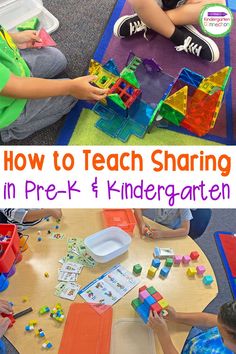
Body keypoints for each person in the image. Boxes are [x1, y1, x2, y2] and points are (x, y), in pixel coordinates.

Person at [0, 27, 108, 142]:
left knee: (58, 59)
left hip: (11, 65)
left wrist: (14, 38)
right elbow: (18, 86)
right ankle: (8, 131)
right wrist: (70, 88)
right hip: (9, 105)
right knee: (69, 98)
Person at [113, 0, 225, 62]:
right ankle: (179, 37)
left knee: (218, 5)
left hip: (182, 7)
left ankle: (149, 20)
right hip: (153, 3)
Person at [148, 301, 236, 354]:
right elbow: (206, 319)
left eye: (222, 336)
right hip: (196, 340)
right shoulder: (230, 323)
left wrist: (163, 335)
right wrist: (176, 317)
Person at [134, 209, 211, 239]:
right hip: (157, 228)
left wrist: (162, 234)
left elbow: (185, 230)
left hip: (172, 233)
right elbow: (137, 208)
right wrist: (142, 225)